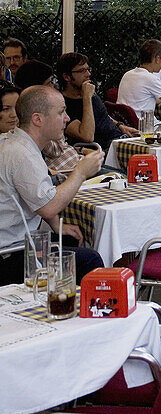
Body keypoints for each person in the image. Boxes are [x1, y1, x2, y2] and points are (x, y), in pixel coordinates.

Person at [0, 84, 104, 285]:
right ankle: (73, 311)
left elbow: (35, 196)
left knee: (74, 238)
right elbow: (49, 207)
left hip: (16, 243)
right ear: (38, 119)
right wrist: (81, 172)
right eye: (61, 112)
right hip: (10, 254)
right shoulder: (22, 154)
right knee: (90, 259)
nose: (66, 118)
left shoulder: (14, 142)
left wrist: (57, 224)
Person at [58, 53, 137, 150]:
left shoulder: (88, 92)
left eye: (88, 69)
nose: (88, 74)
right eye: (82, 71)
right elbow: (87, 136)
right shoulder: (63, 104)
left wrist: (119, 125)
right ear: (67, 77)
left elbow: (100, 114)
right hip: (105, 149)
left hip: (120, 139)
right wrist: (86, 98)